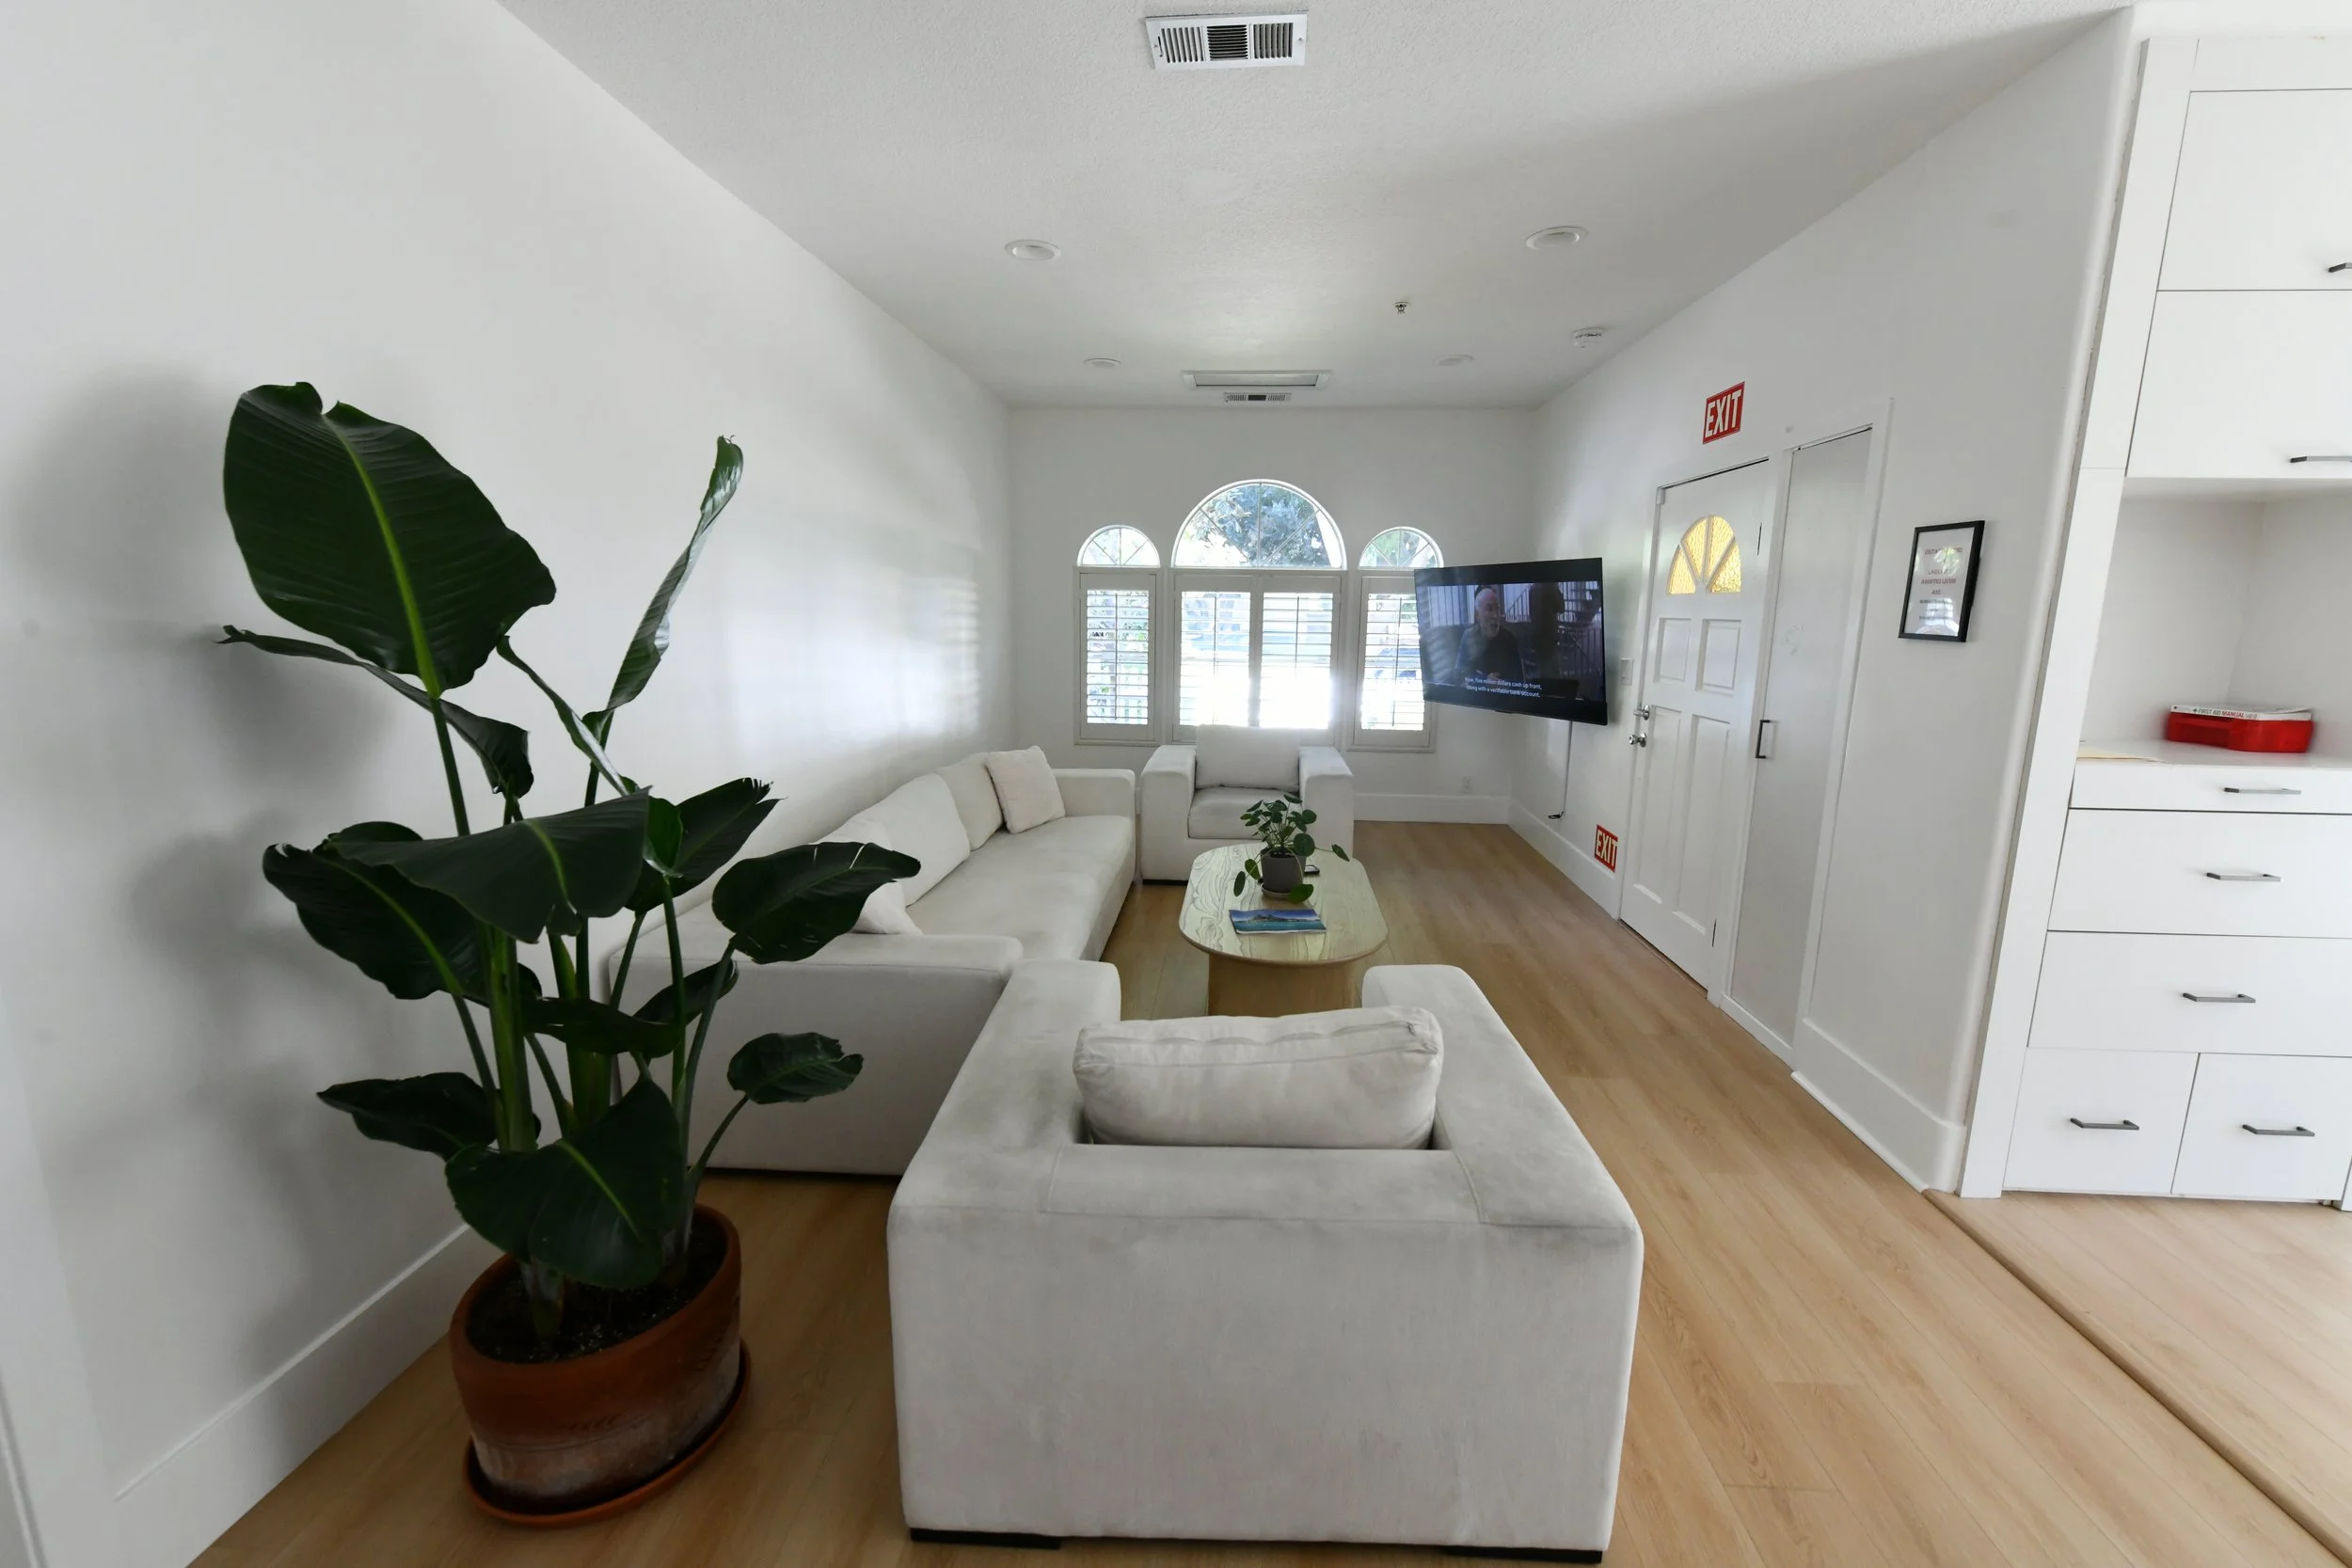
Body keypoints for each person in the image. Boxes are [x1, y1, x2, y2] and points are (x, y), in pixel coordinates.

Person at [1456, 585, 1525, 684]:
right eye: (1489, 609)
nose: (1496, 616)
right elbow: (1459, 675)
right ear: (1477, 615)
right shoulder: (1468, 637)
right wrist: (1484, 681)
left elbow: (1521, 682)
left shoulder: (1509, 639)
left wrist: (1503, 685)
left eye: (1497, 609)